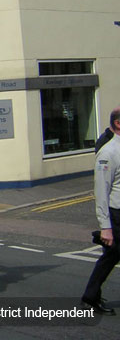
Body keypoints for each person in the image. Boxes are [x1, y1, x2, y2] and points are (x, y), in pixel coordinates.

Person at [82, 107, 120, 315]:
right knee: (111, 256)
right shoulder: (108, 152)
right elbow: (102, 191)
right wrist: (105, 226)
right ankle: (90, 297)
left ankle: (90, 296)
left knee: (110, 256)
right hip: (117, 214)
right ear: (118, 124)